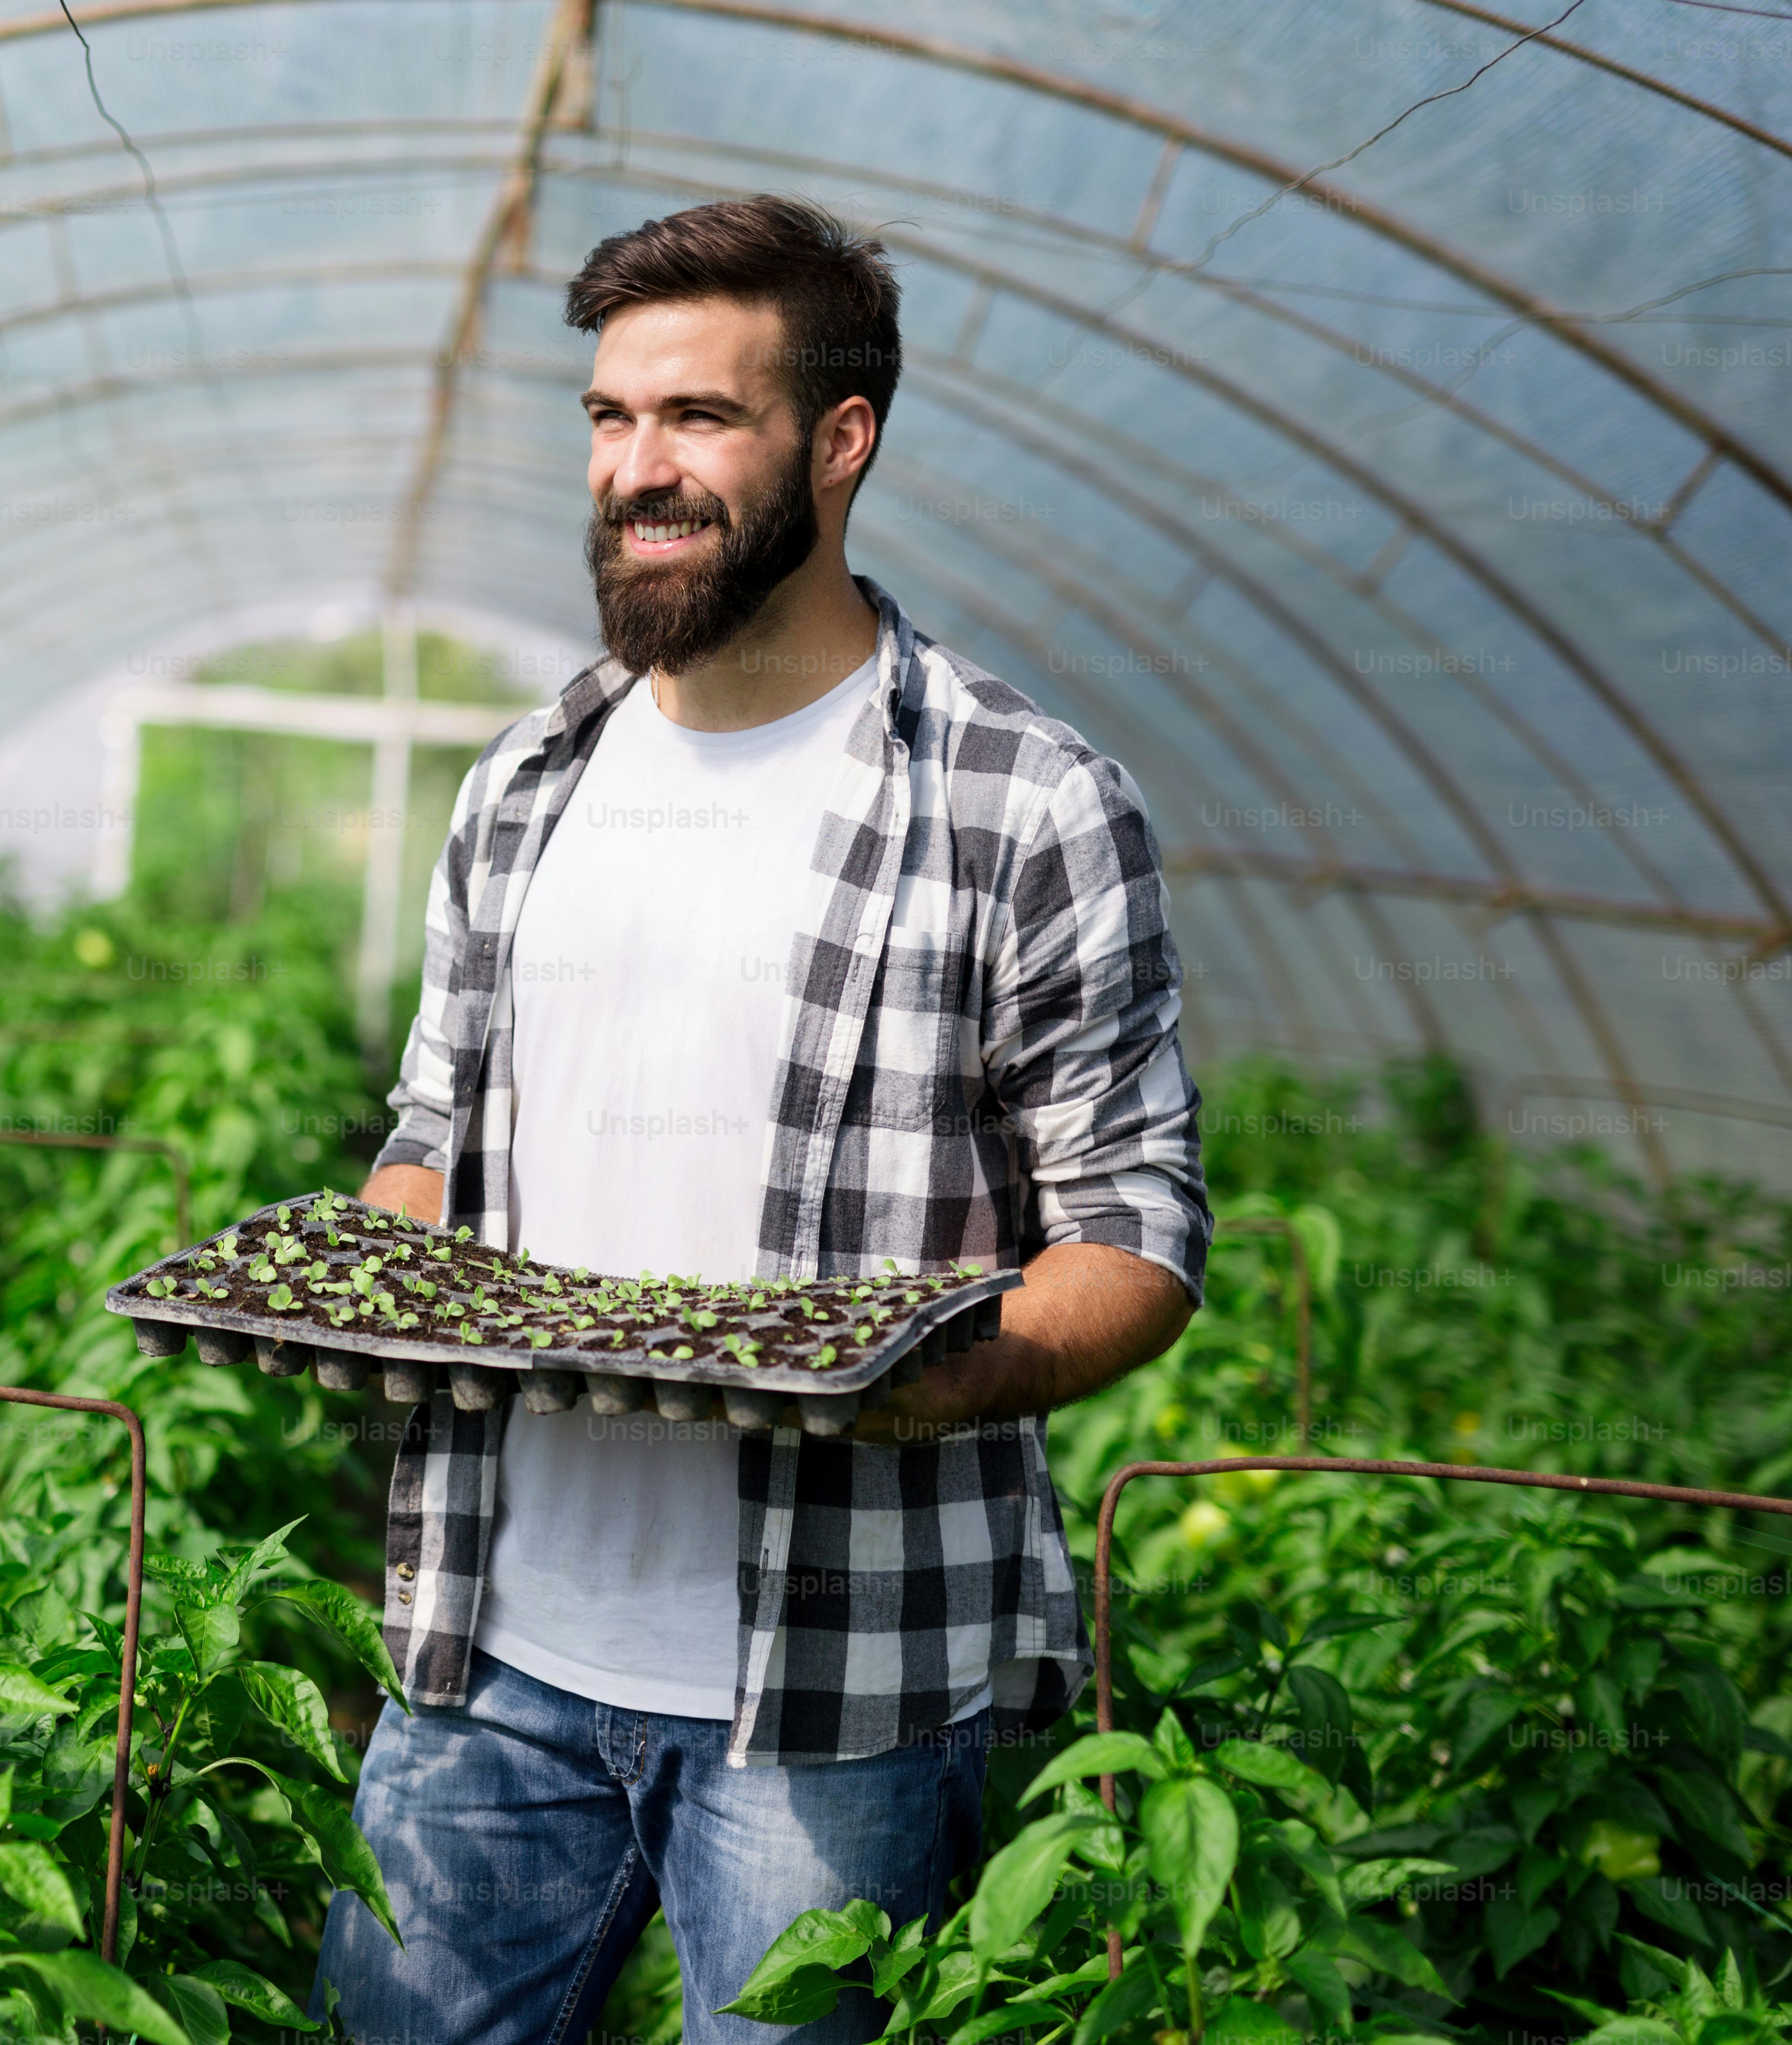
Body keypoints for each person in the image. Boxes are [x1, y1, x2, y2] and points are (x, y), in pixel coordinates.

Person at [313, 195, 1212, 2044]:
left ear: (839, 438)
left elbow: (1132, 1234)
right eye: (606, 420)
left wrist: (926, 1379)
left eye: (698, 420)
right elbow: (430, 1126)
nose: (636, 470)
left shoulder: (1018, 804)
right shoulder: (527, 783)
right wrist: (371, 1269)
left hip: (839, 1681)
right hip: (488, 1648)